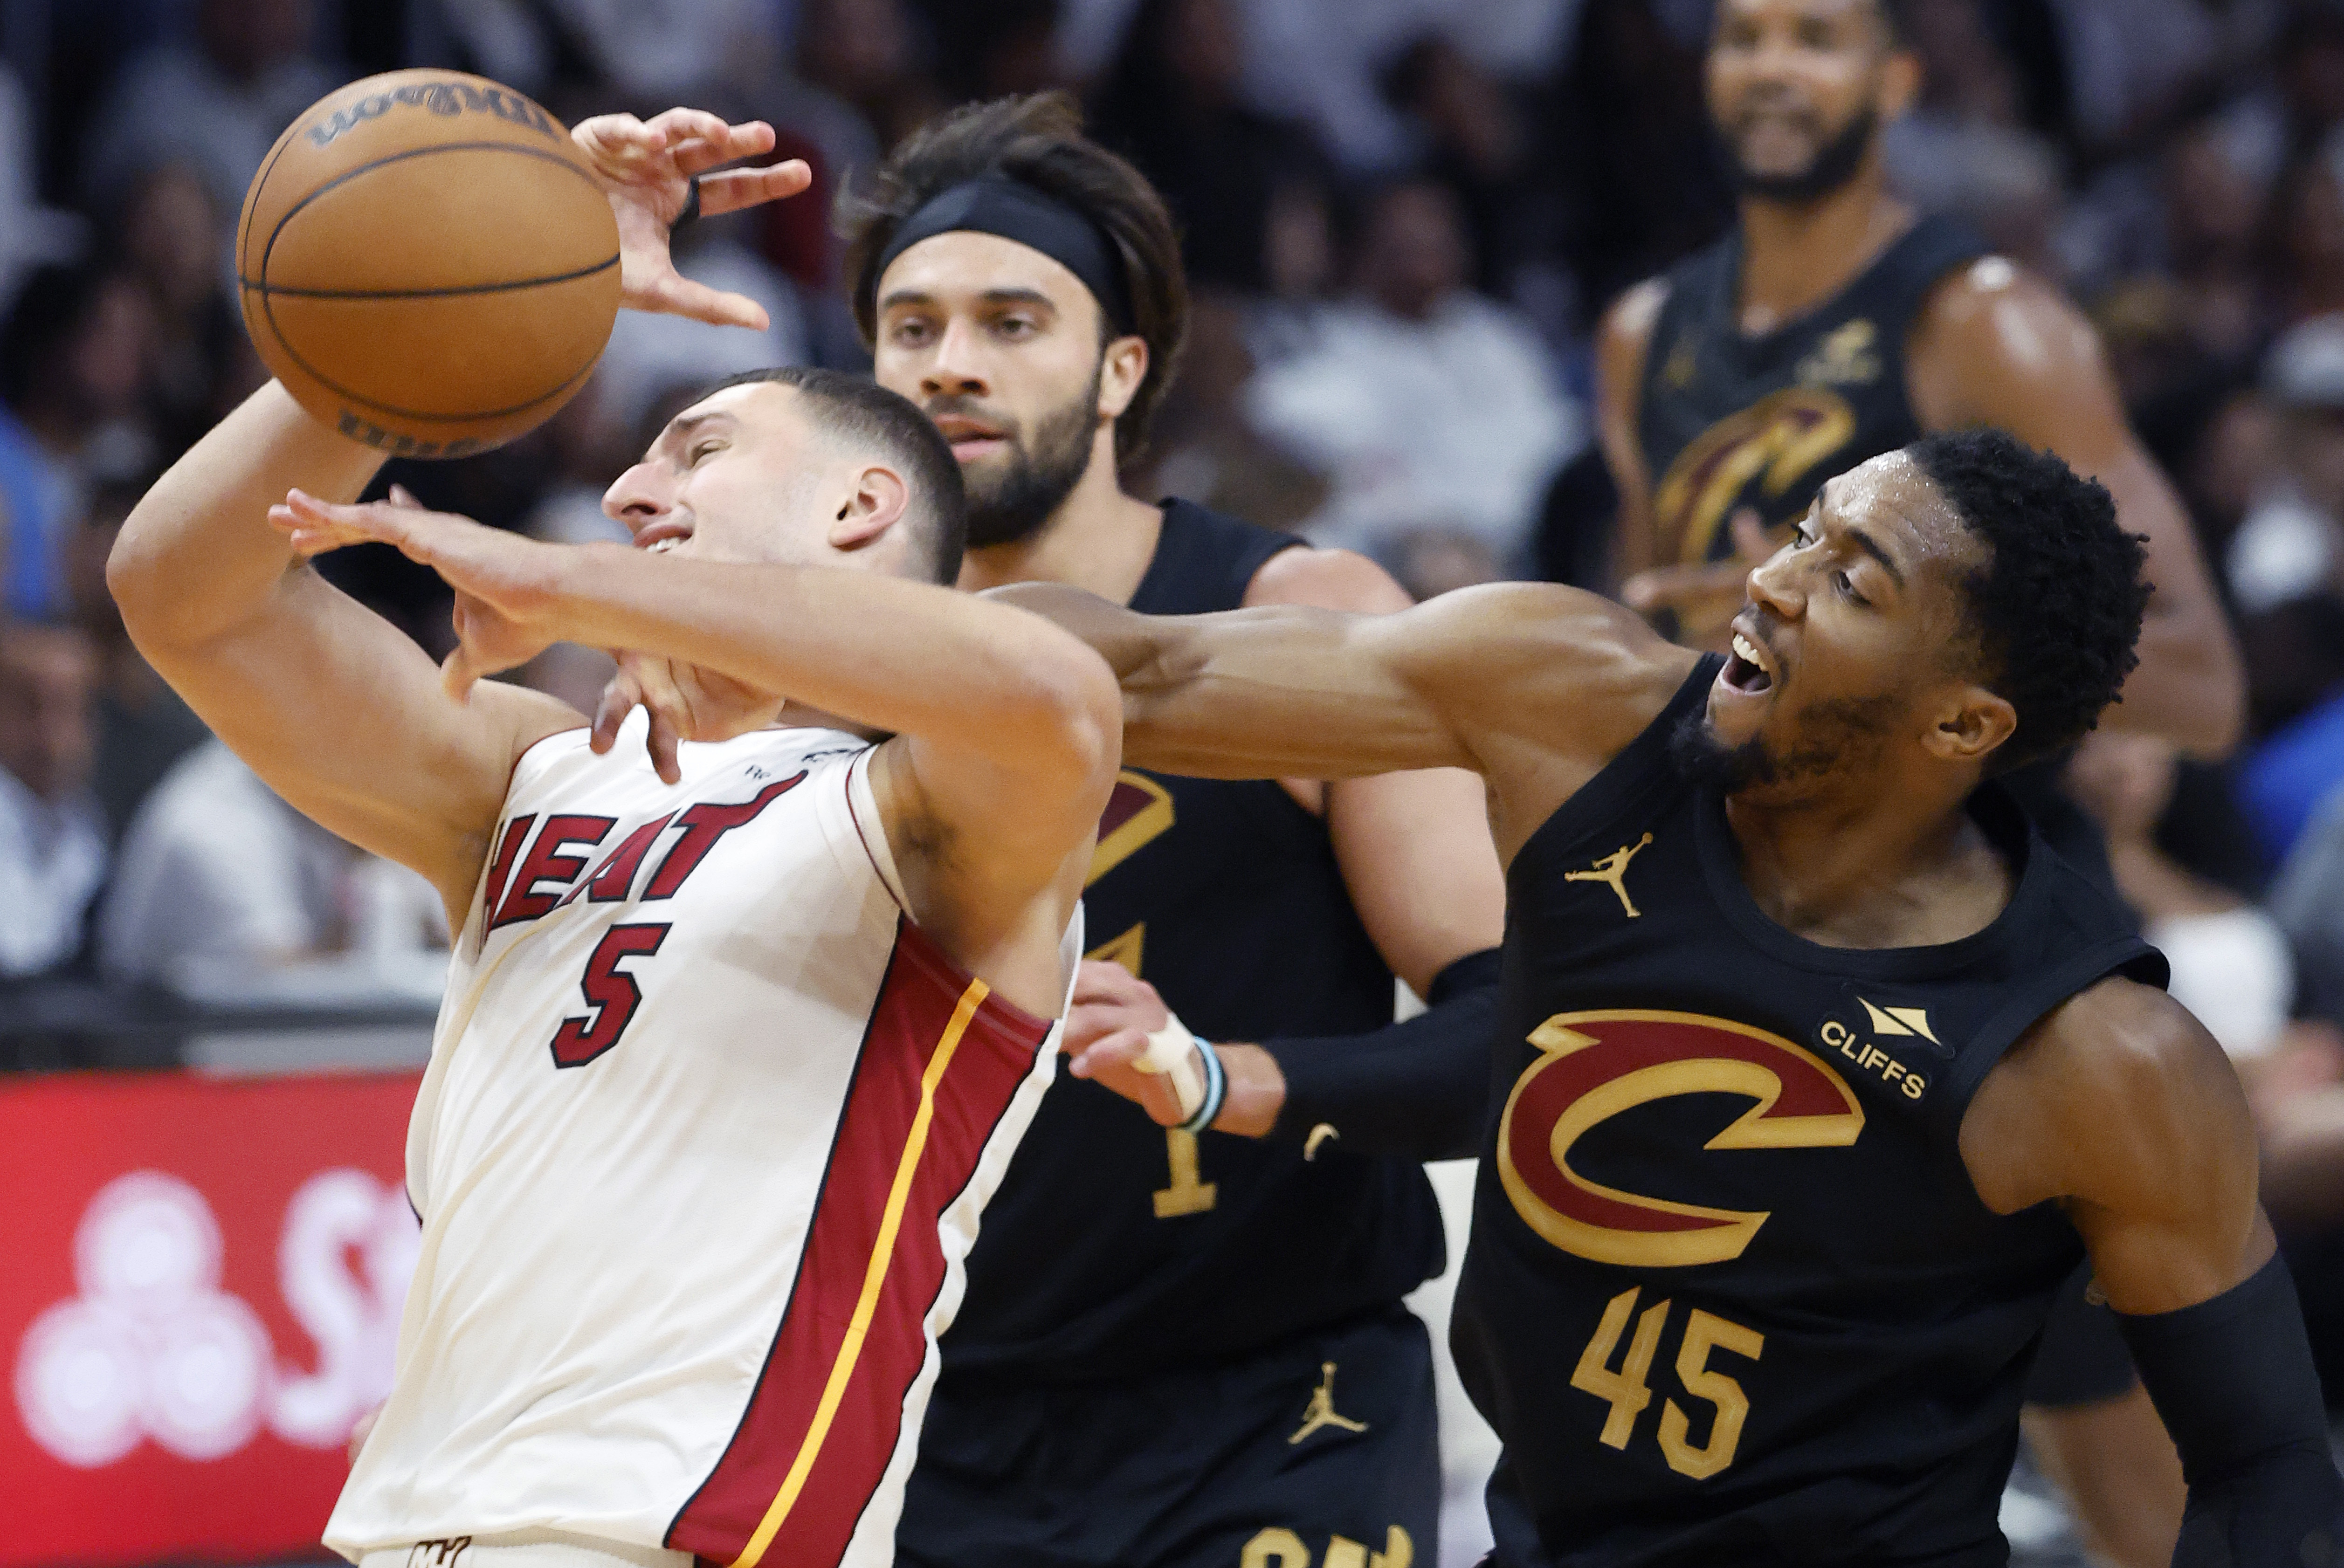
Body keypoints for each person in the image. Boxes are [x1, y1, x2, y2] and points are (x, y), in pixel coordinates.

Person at [1029, 430, 2344, 1568]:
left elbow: (2264, 1456)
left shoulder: (2090, 1052)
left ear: (1960, 726)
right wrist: (844, 585)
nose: (1770, 581)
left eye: (1848, 582)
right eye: (1805, 534)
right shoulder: (1579, 705)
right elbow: (1132, 675)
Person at [106, 107, 1119, 1568]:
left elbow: (1057, 700)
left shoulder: (921, 814)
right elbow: (182, 594)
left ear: (857, 505)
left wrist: (576, 585)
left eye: (696, 452)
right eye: (635, 468)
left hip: (675, 1538)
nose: (633, 491)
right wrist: (431, 294)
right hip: (406, 1531)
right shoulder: (532, 775)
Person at [1589, 3, 2248, 1555]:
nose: (1770, 67)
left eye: (1817, 36)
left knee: (2122, 1449)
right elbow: (1667, 678)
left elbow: (2200, 675)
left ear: (1894, 82)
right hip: (1742, 941)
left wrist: (1866, 643)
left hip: (1977, 945)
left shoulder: (1981, 320)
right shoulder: (1643, 334)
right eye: (1744, 33)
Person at [828, 91, 1508, 1568]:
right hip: (927, 1418)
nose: (953, 364)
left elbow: (1512, 1024)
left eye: (1014, 322)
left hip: (1276, 1402)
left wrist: (1223, 1077)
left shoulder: (1297, 618)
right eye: (913, 327)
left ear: (1121, 368)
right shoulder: (814, 665)